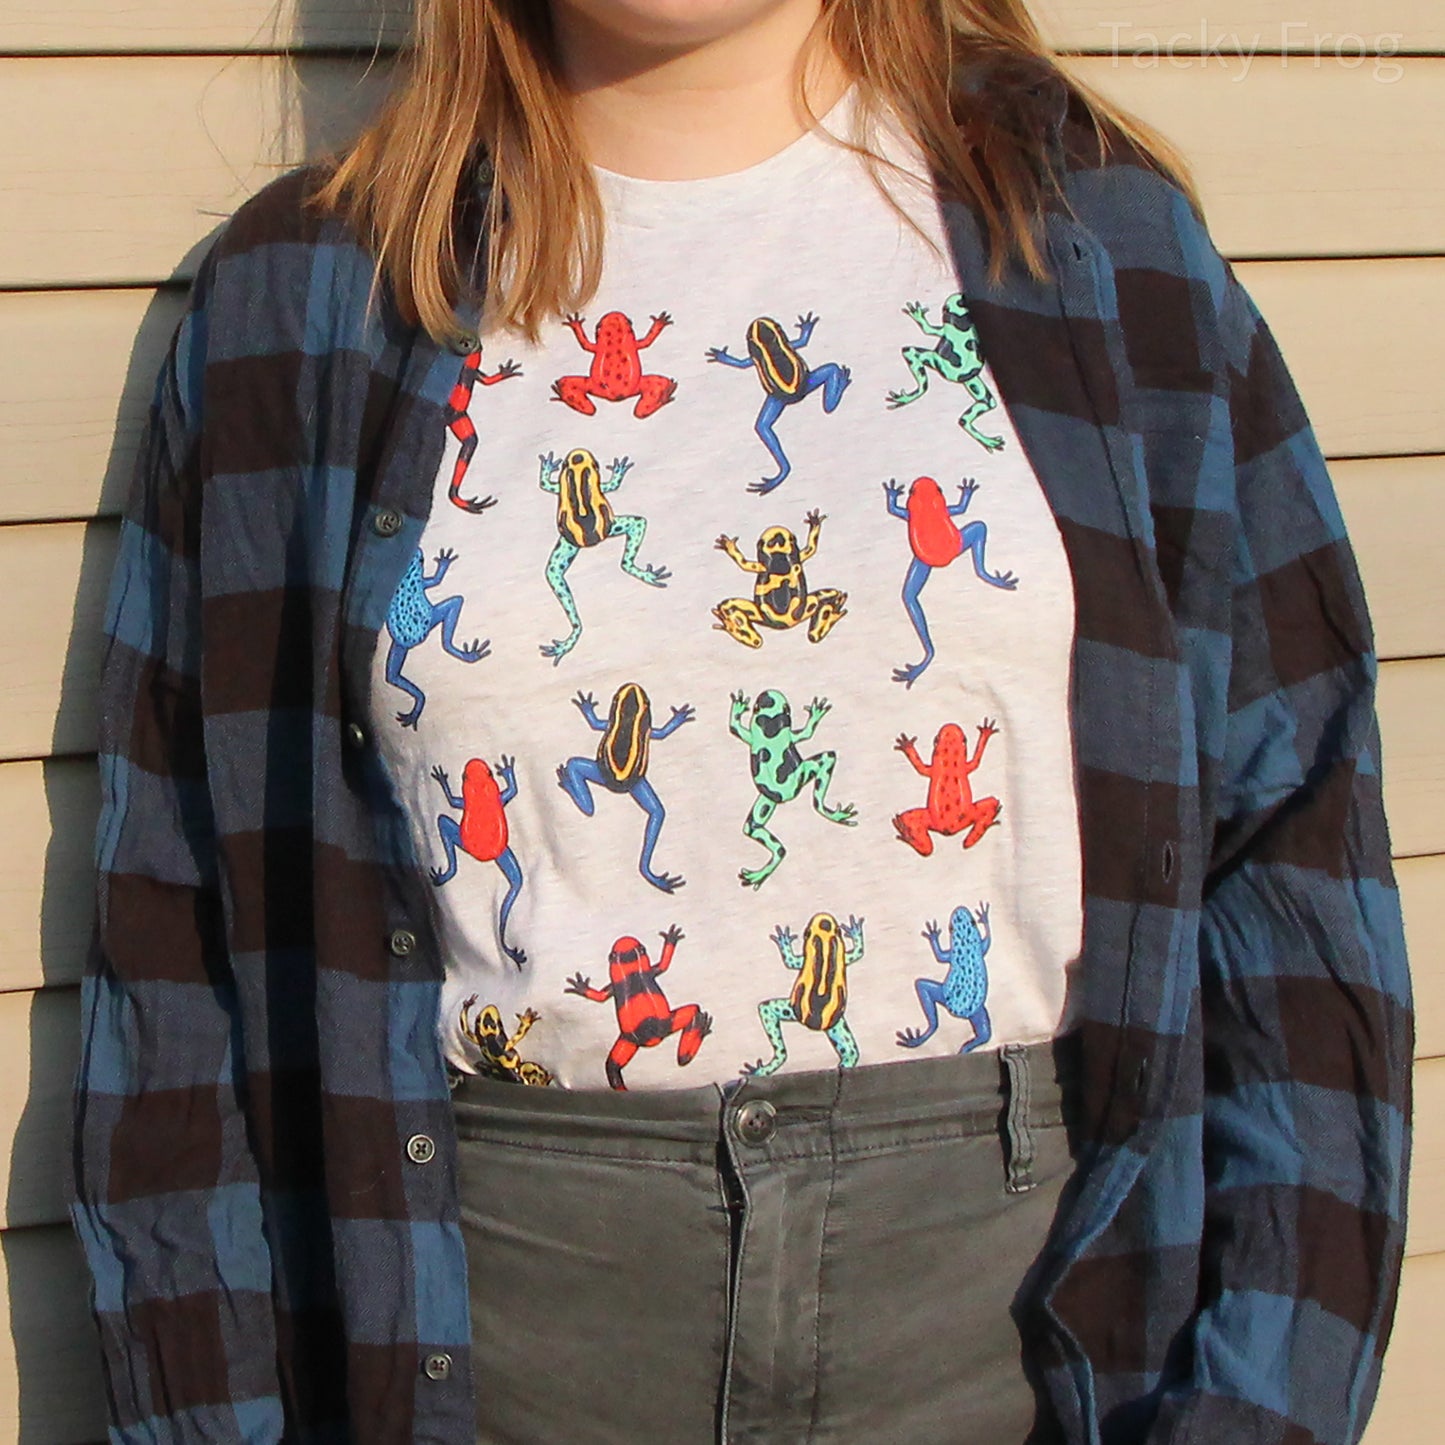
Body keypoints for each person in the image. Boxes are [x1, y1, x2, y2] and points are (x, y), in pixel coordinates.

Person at [70, 1, 1412, 1442]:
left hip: (1016, 1344)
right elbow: (177, 947)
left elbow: (1291, 862)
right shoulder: (309, 300)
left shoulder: (1096, 254)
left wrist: (1255, 1408)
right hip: (493, 1352)